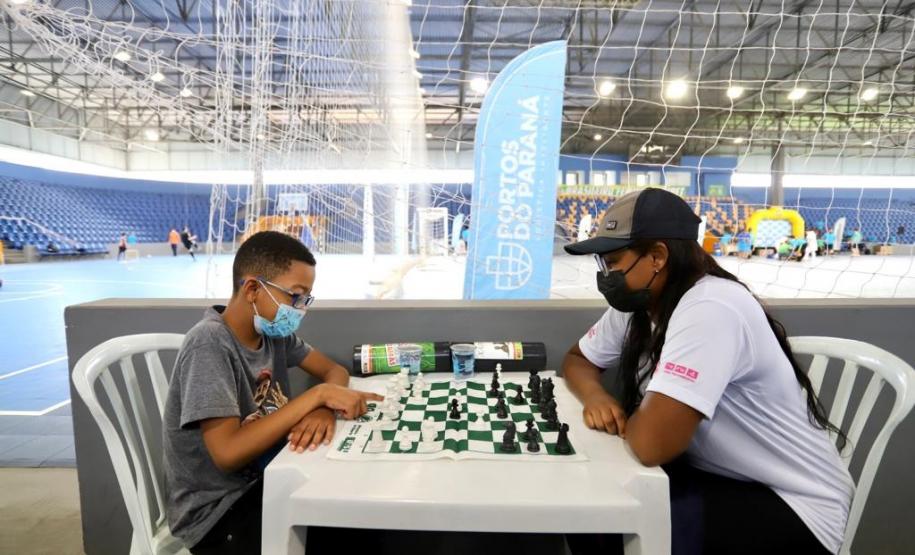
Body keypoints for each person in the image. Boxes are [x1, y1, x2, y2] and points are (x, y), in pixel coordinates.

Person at [560, 188, 852, 555]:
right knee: (591, 513)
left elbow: (651, 445)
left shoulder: (710, 307)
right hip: (719, 478)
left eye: (614, 261)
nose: (606, 276)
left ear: (657, 257)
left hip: (794, 505)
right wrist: (597, 396)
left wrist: (631, 419)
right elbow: (577, 360)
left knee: (608, 523)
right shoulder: (640, 302)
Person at [163, 231, 382, 554]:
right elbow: (227, 454)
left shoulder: (274, 334)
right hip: (219, 515)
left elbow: (333, 371)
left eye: (306, 298)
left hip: (271, 479)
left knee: (363, 511)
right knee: (356, 532)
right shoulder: (209, 343)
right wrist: (316, 397)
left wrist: (323, 408)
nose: (300, 308)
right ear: (252, 289)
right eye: (295, 296)